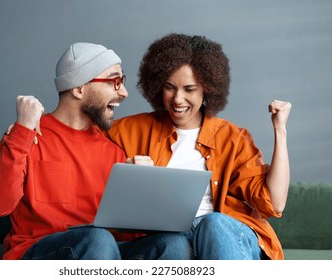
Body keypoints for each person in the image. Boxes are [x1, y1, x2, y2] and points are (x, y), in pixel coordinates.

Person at [0, 42, 192, 260]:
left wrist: (142, 187)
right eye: (115, 82)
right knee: (97, 239)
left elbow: (129, 234)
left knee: (173, 243)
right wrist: (22, 128)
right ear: (79, 88)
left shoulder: (113, 152)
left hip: (102, 250)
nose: (125, 93)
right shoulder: (27, 137)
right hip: (40, 251)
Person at [104, 33, 292, 260]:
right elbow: (83, 148)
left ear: (207, 90)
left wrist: (280, 130)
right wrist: (128, 173)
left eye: (189, 89)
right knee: (172, 243)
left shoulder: (232, 138)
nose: (177, 99)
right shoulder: (128, 131)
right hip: (171, 239)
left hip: (225, 235)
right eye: (169, 87)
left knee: (214, 224)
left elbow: (274, 203)